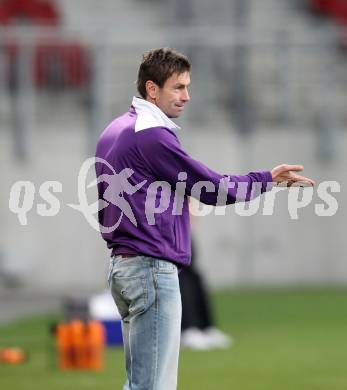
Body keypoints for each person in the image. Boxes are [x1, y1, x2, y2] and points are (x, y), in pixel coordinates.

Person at [95, 47, 314, 390]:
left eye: (187, 86)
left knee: (139, 383)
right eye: (178, 87)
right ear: (152, 89)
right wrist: (266, 180)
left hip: (124, 268)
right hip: (150, 270)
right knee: (153, 386)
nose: (187, 96)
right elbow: (210, 188)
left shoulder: (116, 128)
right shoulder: (152, 134)